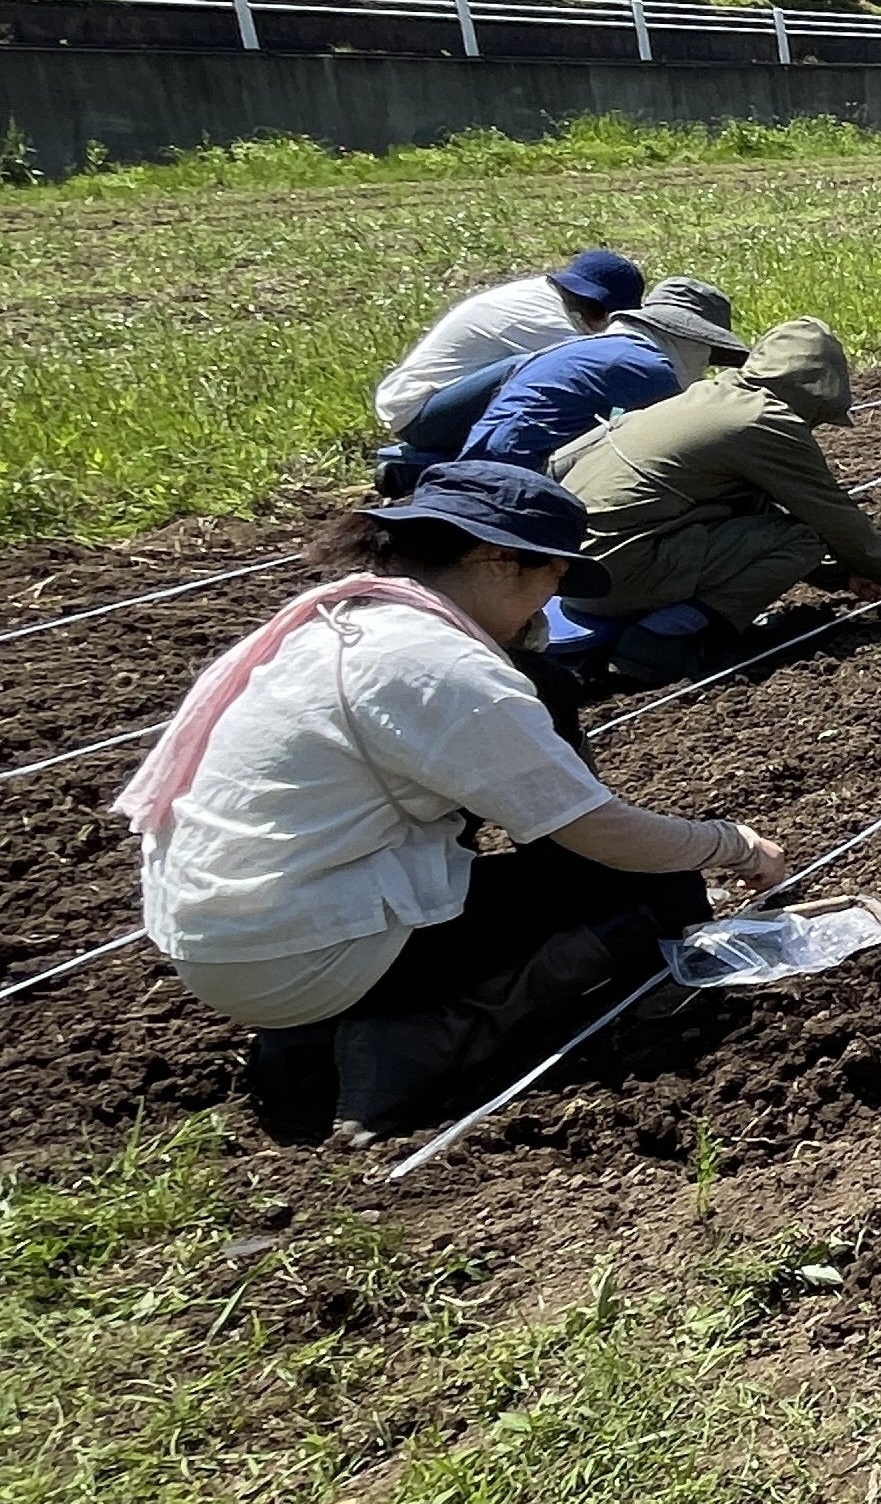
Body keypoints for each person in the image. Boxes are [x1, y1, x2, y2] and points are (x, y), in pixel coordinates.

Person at [116, 462, 790, 1143]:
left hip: (227, 945)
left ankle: (311, 1039)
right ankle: (416, 1035)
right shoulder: (441, 667)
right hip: (312, 953)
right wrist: (730, 844)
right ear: (498, 560)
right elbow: (595, 831)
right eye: (552, 576)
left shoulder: (333, 624)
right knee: (658, 885)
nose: (551, 601)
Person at [551, 317, 881, 681]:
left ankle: (653, 620)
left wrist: (842, 575)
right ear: (817, 392)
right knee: (804, 537)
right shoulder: (765, 420)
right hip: (613, 574)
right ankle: (662, 639)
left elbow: (749, 515)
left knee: (769, 529)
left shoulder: (707, 396)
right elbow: (830, 515)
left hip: (567, 570)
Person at [371, 248, 647, 497]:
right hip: (422, 415)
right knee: (545, 371)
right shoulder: (541, 318)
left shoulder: (549, 299)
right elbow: (598, 369)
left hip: (439, 404)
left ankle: (420, 471)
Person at [458, 279, 749, 472]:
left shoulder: (577, 348)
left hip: (478, 466)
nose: (703, 367)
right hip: (522, 475)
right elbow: (680, 451)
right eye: (707, 354)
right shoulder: (649, 370)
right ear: (690, 341)